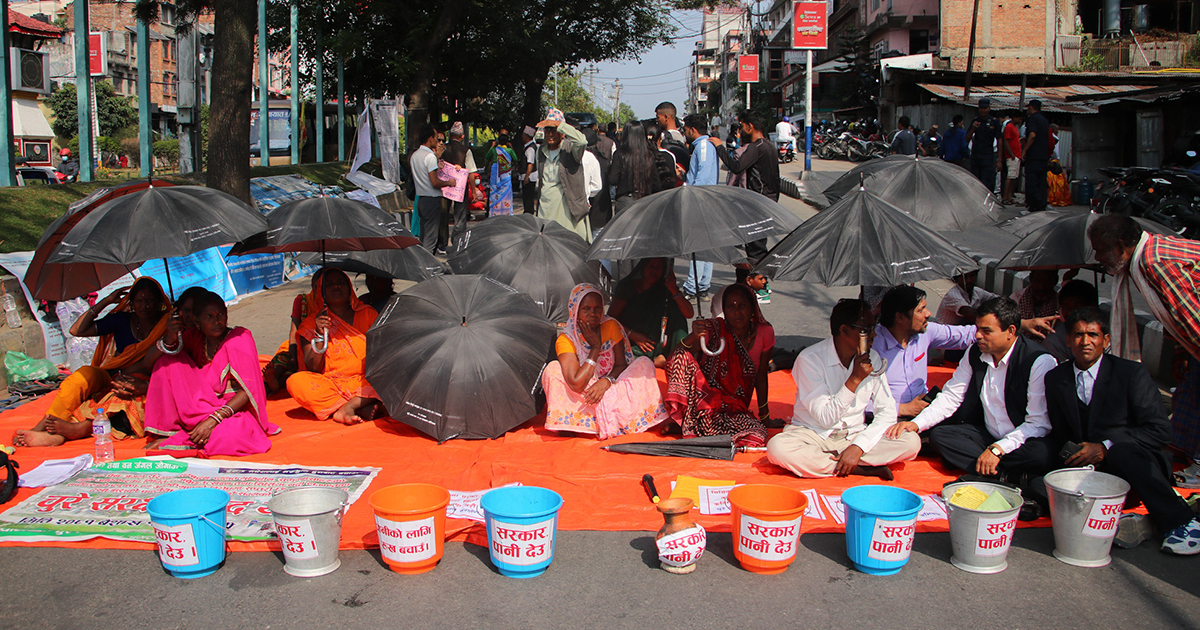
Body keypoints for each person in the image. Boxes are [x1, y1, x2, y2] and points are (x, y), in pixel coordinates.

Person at [1040, 307, 1200, 554]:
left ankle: (1180, 520)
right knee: (1040, 470)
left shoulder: (1131, 374)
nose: (1085, 342)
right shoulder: (1056, 378)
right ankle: (1140, 522)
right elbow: (1060, 431)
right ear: (1068, 340)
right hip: (1090, 470)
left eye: (1093, 335)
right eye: (1078, 335)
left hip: (1136, 464)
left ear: (1106, 340)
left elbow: (1159, 431)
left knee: (1122, 452)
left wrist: (1105, 447)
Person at [891, 298, 1058, 514]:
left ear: (1010, 331)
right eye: (978, 329)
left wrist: (998, 449)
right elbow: (951, 397)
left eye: (986, 331)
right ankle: (1006, 477)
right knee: (941, 437)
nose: (978, 335)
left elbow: (1038, 423)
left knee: (1041, 454)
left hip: (1021, 441)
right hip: (987, 435)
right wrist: (916, 424)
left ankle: (995, 473)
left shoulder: (1038, 361)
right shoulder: (975, 353)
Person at [1088, 214, 1200, 486]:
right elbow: (1175, 313)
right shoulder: (1143, 257)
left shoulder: (1154, 263)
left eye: (1102, 250)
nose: (1098, 257)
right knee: (1189, 390)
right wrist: (1183, 351)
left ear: (1121, 245)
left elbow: (1194, 320)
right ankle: (1184, 450)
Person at [770, 299, 921, 479]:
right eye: (866, 330)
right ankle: (859, 468)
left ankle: (836, 464)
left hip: (854, 435)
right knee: (778, 449)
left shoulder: (873, 357)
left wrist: (859, 447)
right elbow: (826, 418)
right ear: (844, 330)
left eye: (874, 327)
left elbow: (887, 411)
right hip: (813, 433)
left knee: (911, 442)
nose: (874, 335)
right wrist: (855, 379)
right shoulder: (809, 359)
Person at [13, 278, 171, 448]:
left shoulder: (167, 324)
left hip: (146, 380)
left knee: (124, 400)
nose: (144, 305)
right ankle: (41, 428)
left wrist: (146, 383)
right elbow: (76, 330)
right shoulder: (122, 320)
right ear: (131, 302)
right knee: (80, 377)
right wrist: (106, 301)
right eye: (139, 301)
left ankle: (69, 432)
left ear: (159, 302)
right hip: (115, 374)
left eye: (149, 301)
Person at [144, 292, 278, 455]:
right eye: (208, 316)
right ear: (196, 320)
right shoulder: (194, 337)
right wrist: (170, 336)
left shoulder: (238, 339)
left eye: (221, 314)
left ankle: (190, 436)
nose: (217, 321)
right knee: (167, 361)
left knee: (231, 435)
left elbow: (247, 391)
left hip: (230, 412)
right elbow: (148, 363)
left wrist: (214, 420)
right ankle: (173, 433)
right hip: (197, 410)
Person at [542, 284, 668, 438]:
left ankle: (611, 417)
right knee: (553, 369)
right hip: (586, 394)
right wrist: (595, 348)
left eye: (597, 308)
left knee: (644, 363)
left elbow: (622, 365)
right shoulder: (566, 339)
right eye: (586, 309)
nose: (593, 313)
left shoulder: (611, 326)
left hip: (613, 387)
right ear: (575, 311)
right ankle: (583, 422)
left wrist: (606, 381)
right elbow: (576, 383)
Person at [665, 284, 775, 446]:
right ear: (724, 310)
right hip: (705, 400)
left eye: (742, 306)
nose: (737, 312)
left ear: (753, 309)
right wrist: (693, 336)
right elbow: (675, 355)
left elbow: (761, 375)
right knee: (680, 358)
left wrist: (765, 417)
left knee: (755, 434)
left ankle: (693, 428)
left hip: (735, 406)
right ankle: (686, 420)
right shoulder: (714, 328)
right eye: (731, 307)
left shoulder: (765, 332)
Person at [286, 269, 382, 425]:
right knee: (296, 382)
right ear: (320, 293)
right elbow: (314, 368)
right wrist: (319, 334)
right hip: (332, 384)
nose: (336, 287)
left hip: (366, 380)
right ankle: (359, 404)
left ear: (349, 287)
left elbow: (383, 352)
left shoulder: (367, 314)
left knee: (390, 374)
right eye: (329, 285)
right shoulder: (310, 324)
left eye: (340, 283)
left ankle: (348, 407)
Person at [875, 286, 977, 418]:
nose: (928, 314)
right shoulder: (871, 345)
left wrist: (996, 327)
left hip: (924, 411)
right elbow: (857, 400)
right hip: (886, 417)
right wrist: (901, 409)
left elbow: (966, 335)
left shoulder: (925, 332)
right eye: (920, 310)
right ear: (900, 318)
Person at [710, 110, 780, 262]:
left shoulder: (756, 147)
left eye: (742, 127)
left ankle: (759, 283)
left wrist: (719, 147)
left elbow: (736, 166)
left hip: (757, 205)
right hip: (768, 202)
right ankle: (759, 280)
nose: (740, 132)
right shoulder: (769, 146)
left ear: (750, 126)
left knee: (755, 250)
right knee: (758, 246)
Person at [609, 258, 694, 369]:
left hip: (658, 341)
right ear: (643, 268)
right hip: (631, 340)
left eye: (658, 268)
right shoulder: (627, 287)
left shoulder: (665, 288)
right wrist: (633, 335)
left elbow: (689, 314)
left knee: (675, 311)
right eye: (651, 266)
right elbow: (611, 319)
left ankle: (672, 355)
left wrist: (674, 290)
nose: (654, 271)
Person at [264, 269, 325, 395]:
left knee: (295, 374)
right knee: (282, 361)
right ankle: (271, 381)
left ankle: (276, 385)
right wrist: (294, 356)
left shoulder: (331, 303)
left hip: (320, 347)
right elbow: (294, 332)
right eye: (316, 286)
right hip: (297, 345)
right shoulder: (302, 301)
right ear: (312, 284)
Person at [535, 108, 591, 241]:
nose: (550, 134)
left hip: (568, 208)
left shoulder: (571, 149)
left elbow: (582, 141)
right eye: (548, 130)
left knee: (571, 244)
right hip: (546, 207)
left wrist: (561, 125)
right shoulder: (541, 151)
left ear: (562, 132)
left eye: (555, 130)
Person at [410, 125, 454, 253]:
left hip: (421, 199)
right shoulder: (429, 157)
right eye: (436, 138)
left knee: (424, 234)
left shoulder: (415, 155)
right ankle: (428, 266)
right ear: (430, 138)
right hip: (431, 198)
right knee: (431, 237)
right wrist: (449, 182)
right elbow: (434, 182)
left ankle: (424, 262)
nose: (438, 141)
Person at [1039, 279, 1099, 363]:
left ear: (1092, 307)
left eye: (1076, 307)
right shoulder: (1055, 341)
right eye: (1066, 307)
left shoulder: (1110, 332)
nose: (1071, 312)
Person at [607, 120, 657, 215]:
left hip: (625, 201)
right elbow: (656, 182)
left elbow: (613, 179)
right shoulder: (649, 155)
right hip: (646, 199)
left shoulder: (620, 154)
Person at [443, 122, 479, 248]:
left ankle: (442, 242)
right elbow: (471, 172)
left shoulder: (442, 148)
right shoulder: (466, 151)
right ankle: (458, 241)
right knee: (460, 215)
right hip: (460, 187)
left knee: (444, 213)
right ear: (462, 137)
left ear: (449, 135)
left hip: (444, 186)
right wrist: (473, 191)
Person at [965, 98, 1003, 193]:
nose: (983, 110)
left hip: (988, 156)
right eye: (981, 108)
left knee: (987, 182)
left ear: (989, 108)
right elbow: (966, 139)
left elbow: (1000, 140)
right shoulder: (975, 121)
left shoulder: (994, 122)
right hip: (976, 156)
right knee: (975, 182)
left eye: (985, 108)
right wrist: (973, 128)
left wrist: (1000, 159)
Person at [1023, 99, 1051, 213]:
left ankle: (1034, 205)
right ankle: (1041, 204)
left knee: (1031, 182)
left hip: (1033, 156)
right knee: (1041, 182)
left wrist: (1024, 150)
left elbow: (1033, 135)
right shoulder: (1044, 120)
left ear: (1031, 107)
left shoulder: (1033, 119)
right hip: (1043, 156)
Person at [483, 133, 516, 217]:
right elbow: (515, 159)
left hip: (495, 172)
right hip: (505, 173)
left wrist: (492, 146)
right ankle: (507, 211)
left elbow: (487, 157)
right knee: (506, 190)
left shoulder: (494, 150)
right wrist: (511, 147)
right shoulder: (510, 151)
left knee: (494, 190)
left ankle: (494, 211)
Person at [655, 101, 690, 167]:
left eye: (658, 117)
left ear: (666, 117)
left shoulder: (664, 137)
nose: (656, 120)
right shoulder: (681, 136)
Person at [1001, 110, 1024, 205]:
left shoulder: (1015, 127)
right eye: (1019, 118)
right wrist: (1012, 155)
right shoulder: (1009, 127)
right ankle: (1005, 197)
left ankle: (1009, 197)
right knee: (1010, 177)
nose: (1020, 120)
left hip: (1016, 155)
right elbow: (1006, 141)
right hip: (1012, 156)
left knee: (1013, 177)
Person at [521, 126, 539, 215]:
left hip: (530, 176)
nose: (522, 136)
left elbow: (530, 163)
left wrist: (526, 177)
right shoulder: (528, 147)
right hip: (528, 176)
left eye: (523, 134)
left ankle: (528, 212)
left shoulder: (530, 148)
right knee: (527, 196)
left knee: (528, 196)